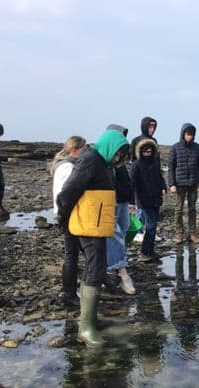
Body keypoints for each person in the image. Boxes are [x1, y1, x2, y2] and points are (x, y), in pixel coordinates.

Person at [57, 129, 129, 346]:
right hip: (88, 225)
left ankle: (90, 319)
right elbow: (67, 192)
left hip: (96, 225)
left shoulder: (101, 162)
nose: (118, 158)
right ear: (110, 146)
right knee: (95, 269)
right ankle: (86, 327)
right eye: (117, 153)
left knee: (95, 267)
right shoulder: (91, 160)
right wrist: (64, 218)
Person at [51, 135, 87, 308]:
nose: (85, 153)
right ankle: (69, 294)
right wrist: (64, 216)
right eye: (83, 149)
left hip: (67, 215)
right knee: (72, 255)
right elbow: (66, 195)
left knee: (82, 251)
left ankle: (100, 281)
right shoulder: (67, 167)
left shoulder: (65, 165)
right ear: (74, 150)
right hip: (68, 216)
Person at [105, 124, 135, 295]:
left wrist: (131, 201)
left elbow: (127, 181)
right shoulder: (107, 159)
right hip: (112, 201)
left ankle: (114, 262)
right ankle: (121, 271)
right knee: (113, 234)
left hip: (123, 200)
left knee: (122, 231)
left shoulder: (120, 160)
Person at [130, 139, 167, 262]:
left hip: (156, 198)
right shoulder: (136, 165)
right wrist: (132, 201)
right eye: (145, 150)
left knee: (153, 225)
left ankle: (150, 250)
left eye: (150, 150)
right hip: (144, 200)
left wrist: (163, 187)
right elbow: (132, 183)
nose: (148, 152)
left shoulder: (155, 163)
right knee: (150, 226)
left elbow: (160, 177)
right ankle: (145, 252)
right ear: (140, 151)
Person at [168, 123, 199, 244]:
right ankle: (179, 234)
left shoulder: (197, 147)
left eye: (192, 134)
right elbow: (171, 167)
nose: (190, 136)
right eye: (188, 134)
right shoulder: (175, 148)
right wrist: (172, 184)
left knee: (192, 209)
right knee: (178, 209)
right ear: (183, 134)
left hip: (193, 183)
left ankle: (192, 233)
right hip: (179, 184)